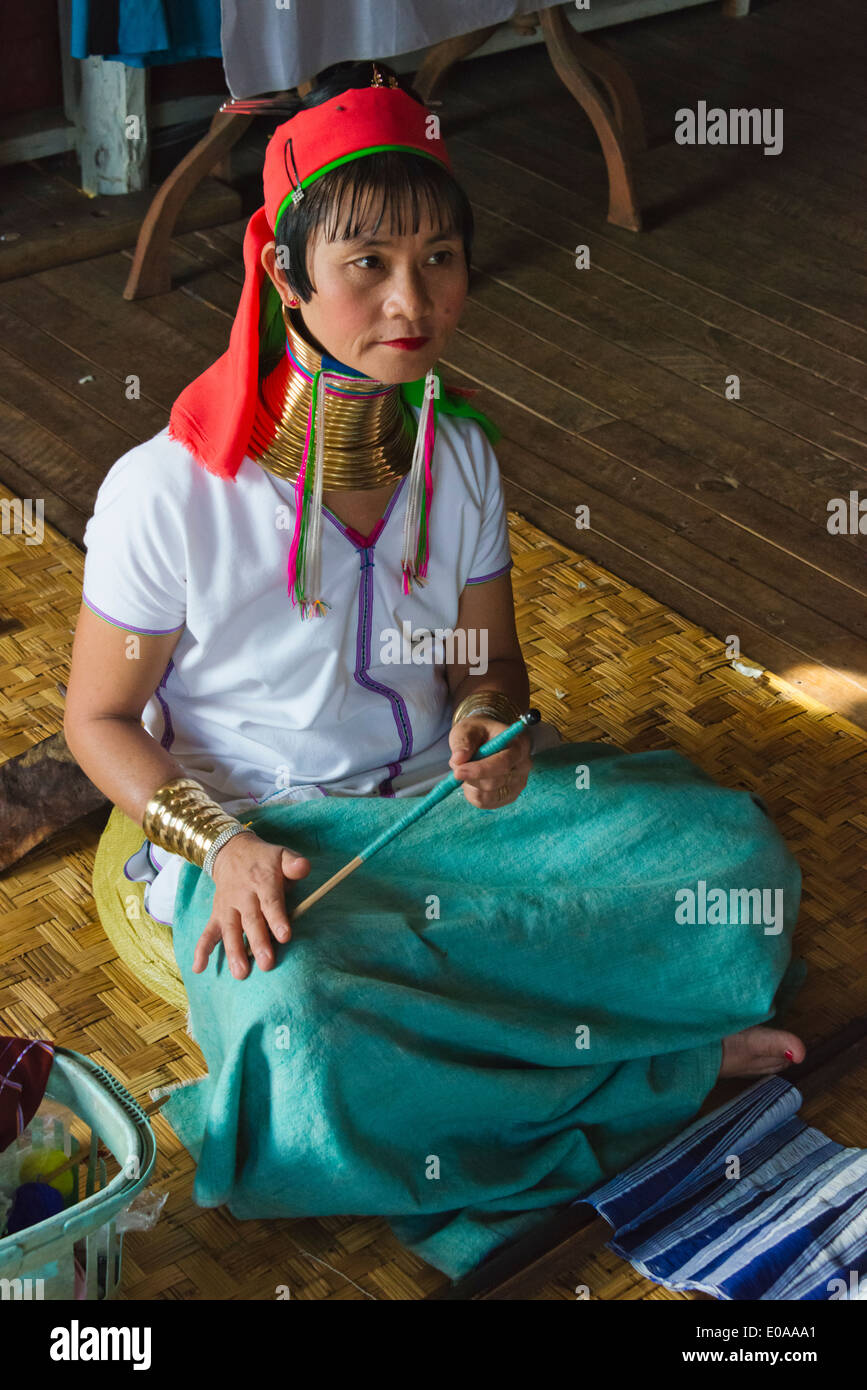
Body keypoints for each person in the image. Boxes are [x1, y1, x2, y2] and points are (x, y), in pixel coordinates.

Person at [64, 61, 805, 1277]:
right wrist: (223, 843)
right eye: (368, 264)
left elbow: (491, 664)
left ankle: (555, 1067)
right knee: (302, 1032)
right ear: (285, 273)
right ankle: (651, 1065)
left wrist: (489, 722)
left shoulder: (457, 458)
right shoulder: (168, 490)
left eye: (440, 259)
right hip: (267, 847)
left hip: (443, 816)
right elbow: (96, 719)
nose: (413, 299)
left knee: (737, 867)